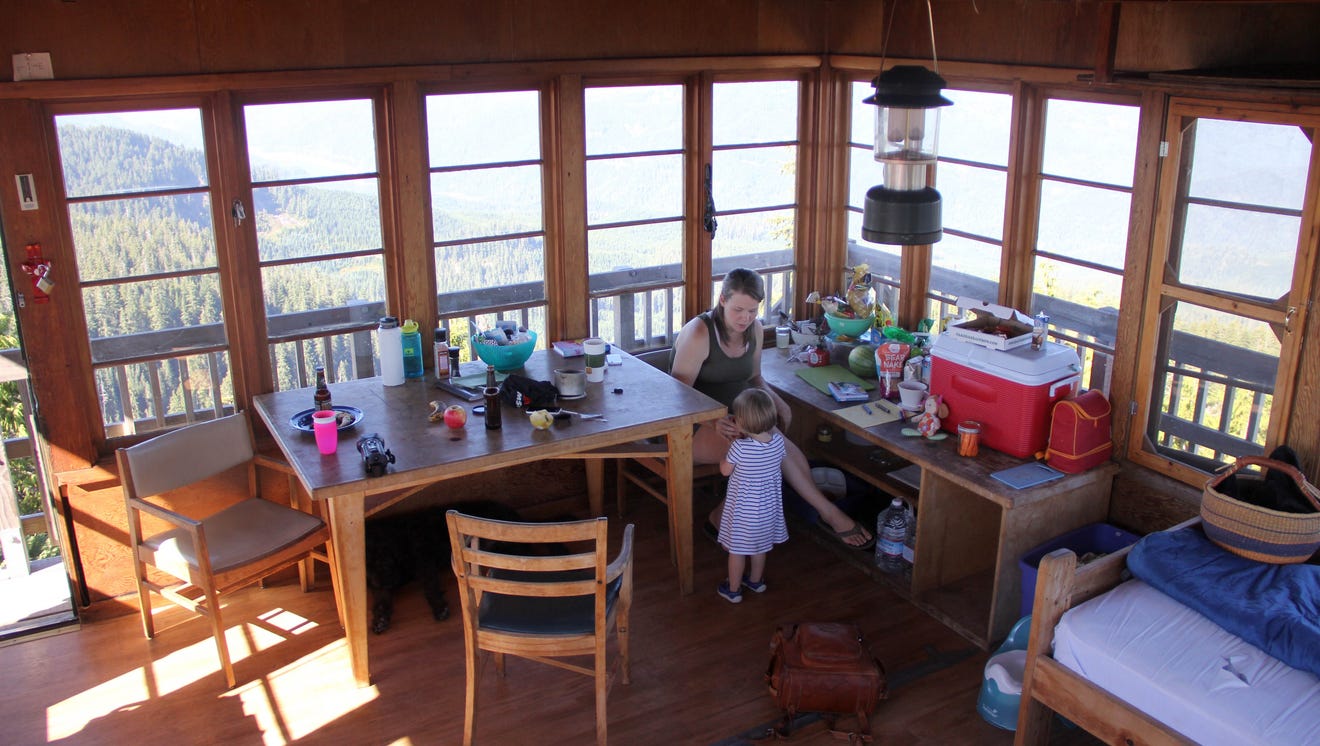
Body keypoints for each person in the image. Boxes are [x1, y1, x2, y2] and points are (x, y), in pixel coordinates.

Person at [670, 267, 874, 549]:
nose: (745, 318)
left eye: (752, 311)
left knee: (786, 451)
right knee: (766, 455)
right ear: (722, 300)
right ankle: (831, 514)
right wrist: (713, 420)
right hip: (693, 425)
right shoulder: (700, 333)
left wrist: (779, 402)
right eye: (738, 310)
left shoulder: (753, 329)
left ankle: (725, 516)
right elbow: (677, 395)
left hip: (742, 418)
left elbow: (755, 378)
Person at [716, 388, 789, 603]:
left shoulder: (739, 447)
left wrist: (726, 453)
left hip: (744, 513)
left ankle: (733, 589)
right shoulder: (778, 442)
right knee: (760, 548)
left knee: (737, 551)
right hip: (768, 509)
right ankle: (756, 581)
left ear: (741, 422)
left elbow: (725, 471)